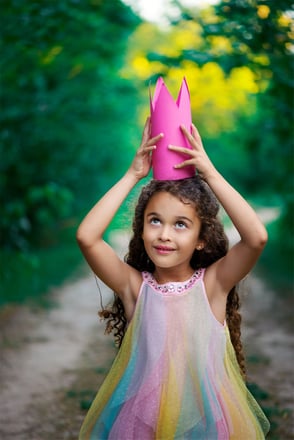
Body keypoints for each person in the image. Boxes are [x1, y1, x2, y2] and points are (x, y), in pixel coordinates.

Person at [76, 117, 270, 439]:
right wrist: (133, 175)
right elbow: (87, 237)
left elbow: (256, 238)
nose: (164, 234)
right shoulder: (134, 287)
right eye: (155, 221)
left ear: (201, 238)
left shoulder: (213, 285)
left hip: (206, 423)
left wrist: (210, 173)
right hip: (142, 422)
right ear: (140, 228)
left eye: (180, 224)